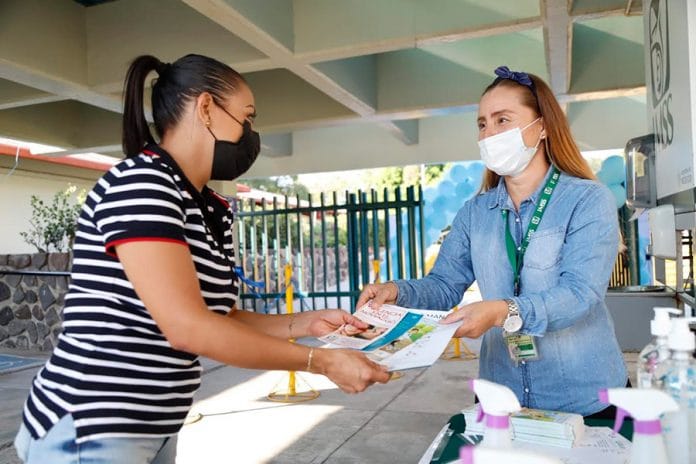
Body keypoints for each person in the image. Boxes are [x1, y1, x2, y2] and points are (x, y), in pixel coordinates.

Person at [14, 54, 390, 464]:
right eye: (246, 117)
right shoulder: (142, 184)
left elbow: (216, 317)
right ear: (206, 107)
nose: (250, 133)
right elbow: (188, 328)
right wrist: (321, 361)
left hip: (153, 426)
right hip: (94, 425)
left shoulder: (205, 205)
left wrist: (306, 323)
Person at [357, 66, 628, 418]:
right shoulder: (475, 212)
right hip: (502, 399)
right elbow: (444, 285)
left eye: (503, 120)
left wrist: (503, 311)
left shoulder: (587, 200)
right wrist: (396, 291)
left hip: (585, 399)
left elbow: (580, 294)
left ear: (543, 126)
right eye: (483, 124)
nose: (489, 134)